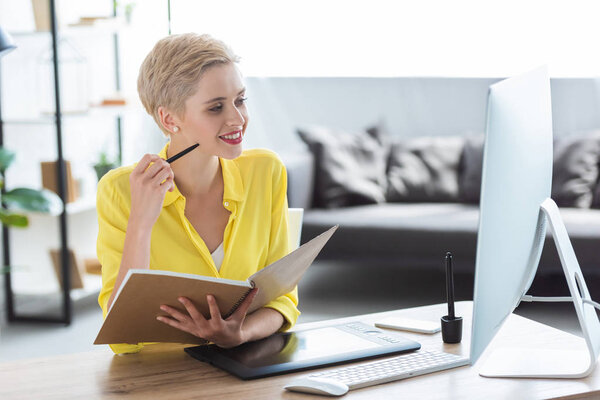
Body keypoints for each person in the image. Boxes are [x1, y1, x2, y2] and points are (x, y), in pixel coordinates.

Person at [96, 33, 299, 354]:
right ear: (169, 119)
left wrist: (241, 333)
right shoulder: (119, 189)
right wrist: (142, 221)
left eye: (240, 100)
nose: (238, 119)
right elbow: (121, 338)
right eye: (216, 107)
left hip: (246, 364)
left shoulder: (266, 170)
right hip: (158, 376)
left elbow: (284, 301)